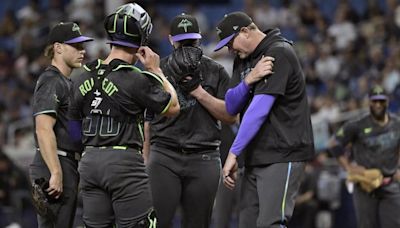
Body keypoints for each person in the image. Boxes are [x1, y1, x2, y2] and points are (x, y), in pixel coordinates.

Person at [143, 13, 267, 228]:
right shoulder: (158, 70)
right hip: (164, 155)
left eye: (191, 40)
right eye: (182, 41)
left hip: (203, 156)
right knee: (156, 223)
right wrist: (145, 158)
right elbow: (147, 120)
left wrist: (199, 92)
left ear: (199, 39)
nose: (186, 45)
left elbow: (231, 116)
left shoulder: (215, 70)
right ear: (171, 40)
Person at [68, 3, 180, 228]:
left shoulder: (80, 75)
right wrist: (156, 71)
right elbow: (173, 107)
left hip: (89, 162)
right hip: (124, 163)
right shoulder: (135, 78)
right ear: (142, 40)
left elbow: (73, 131)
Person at [214, 12, 315, 228]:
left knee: (270, 223)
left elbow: (258, 110)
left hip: (283, 152)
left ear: (245, 31)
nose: (230, 49)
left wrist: (233, 153)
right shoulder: (244, 60)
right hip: (255, 155)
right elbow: (231, 105)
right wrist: (249, 80)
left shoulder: (278, 52)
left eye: (230, 42)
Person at [29, 22, 93, 228]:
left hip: (67, 163)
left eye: (82, 46)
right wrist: (56, 172)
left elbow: (73, 133)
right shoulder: (51, 80)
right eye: (76, 46)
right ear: (58, 48)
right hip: (54, 162)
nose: (82, 51)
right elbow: (43, 128)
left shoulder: (67, 83)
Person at [329, 85, 400, 228]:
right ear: (369, 102)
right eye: (374, 101)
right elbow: (334, 143)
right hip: (365, 186)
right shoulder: (358, 125)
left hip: (390, 184)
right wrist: (349, 167)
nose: (378, 104)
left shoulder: (396, 124)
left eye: (381, 100)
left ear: (387, 101)